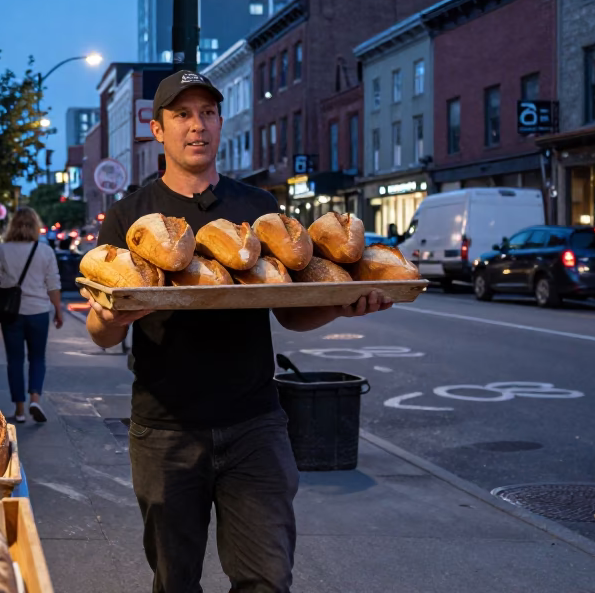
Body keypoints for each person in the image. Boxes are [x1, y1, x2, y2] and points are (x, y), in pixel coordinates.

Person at [80, 71, 393, 593]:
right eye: (182, 115)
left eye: (207, 113)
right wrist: (111, 318)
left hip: (255, 424)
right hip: (165, 428)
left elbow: (289, 313)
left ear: (221, 123)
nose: (196, 126)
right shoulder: (129, 218)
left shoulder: (259, 210)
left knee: (266, 579)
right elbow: (100, 332)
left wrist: (340, 307)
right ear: (157, 130)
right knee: (175, 581)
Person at [0, 206, 63, 424]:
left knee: (15, 360)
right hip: (39, 311)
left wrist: (0, 292)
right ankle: (35, 399)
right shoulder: (45, 251)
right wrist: (57, 310)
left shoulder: (3, 250)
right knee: (38, 357)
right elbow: (53, 283)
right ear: (36, 226)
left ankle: (19, 410)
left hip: (12, 313)